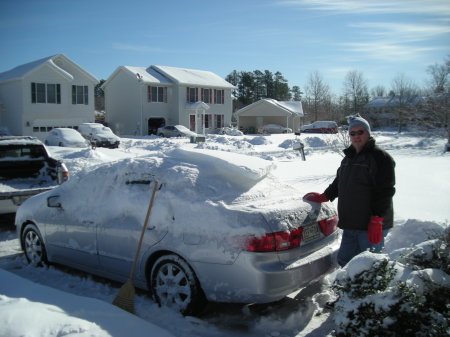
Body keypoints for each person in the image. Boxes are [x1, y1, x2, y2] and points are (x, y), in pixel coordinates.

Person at [303, 114, 396, 267]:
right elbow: (340, 180)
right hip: (351, 223)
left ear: (368, 133)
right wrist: (326, 195)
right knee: (345, 262)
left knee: (369, 268)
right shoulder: (349, 158)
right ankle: (346, 290)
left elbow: (385, 191)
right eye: (352, 133)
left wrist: (377, 219)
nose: (356, 136)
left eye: (361, 132)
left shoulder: (380, 157)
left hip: (370, 225)